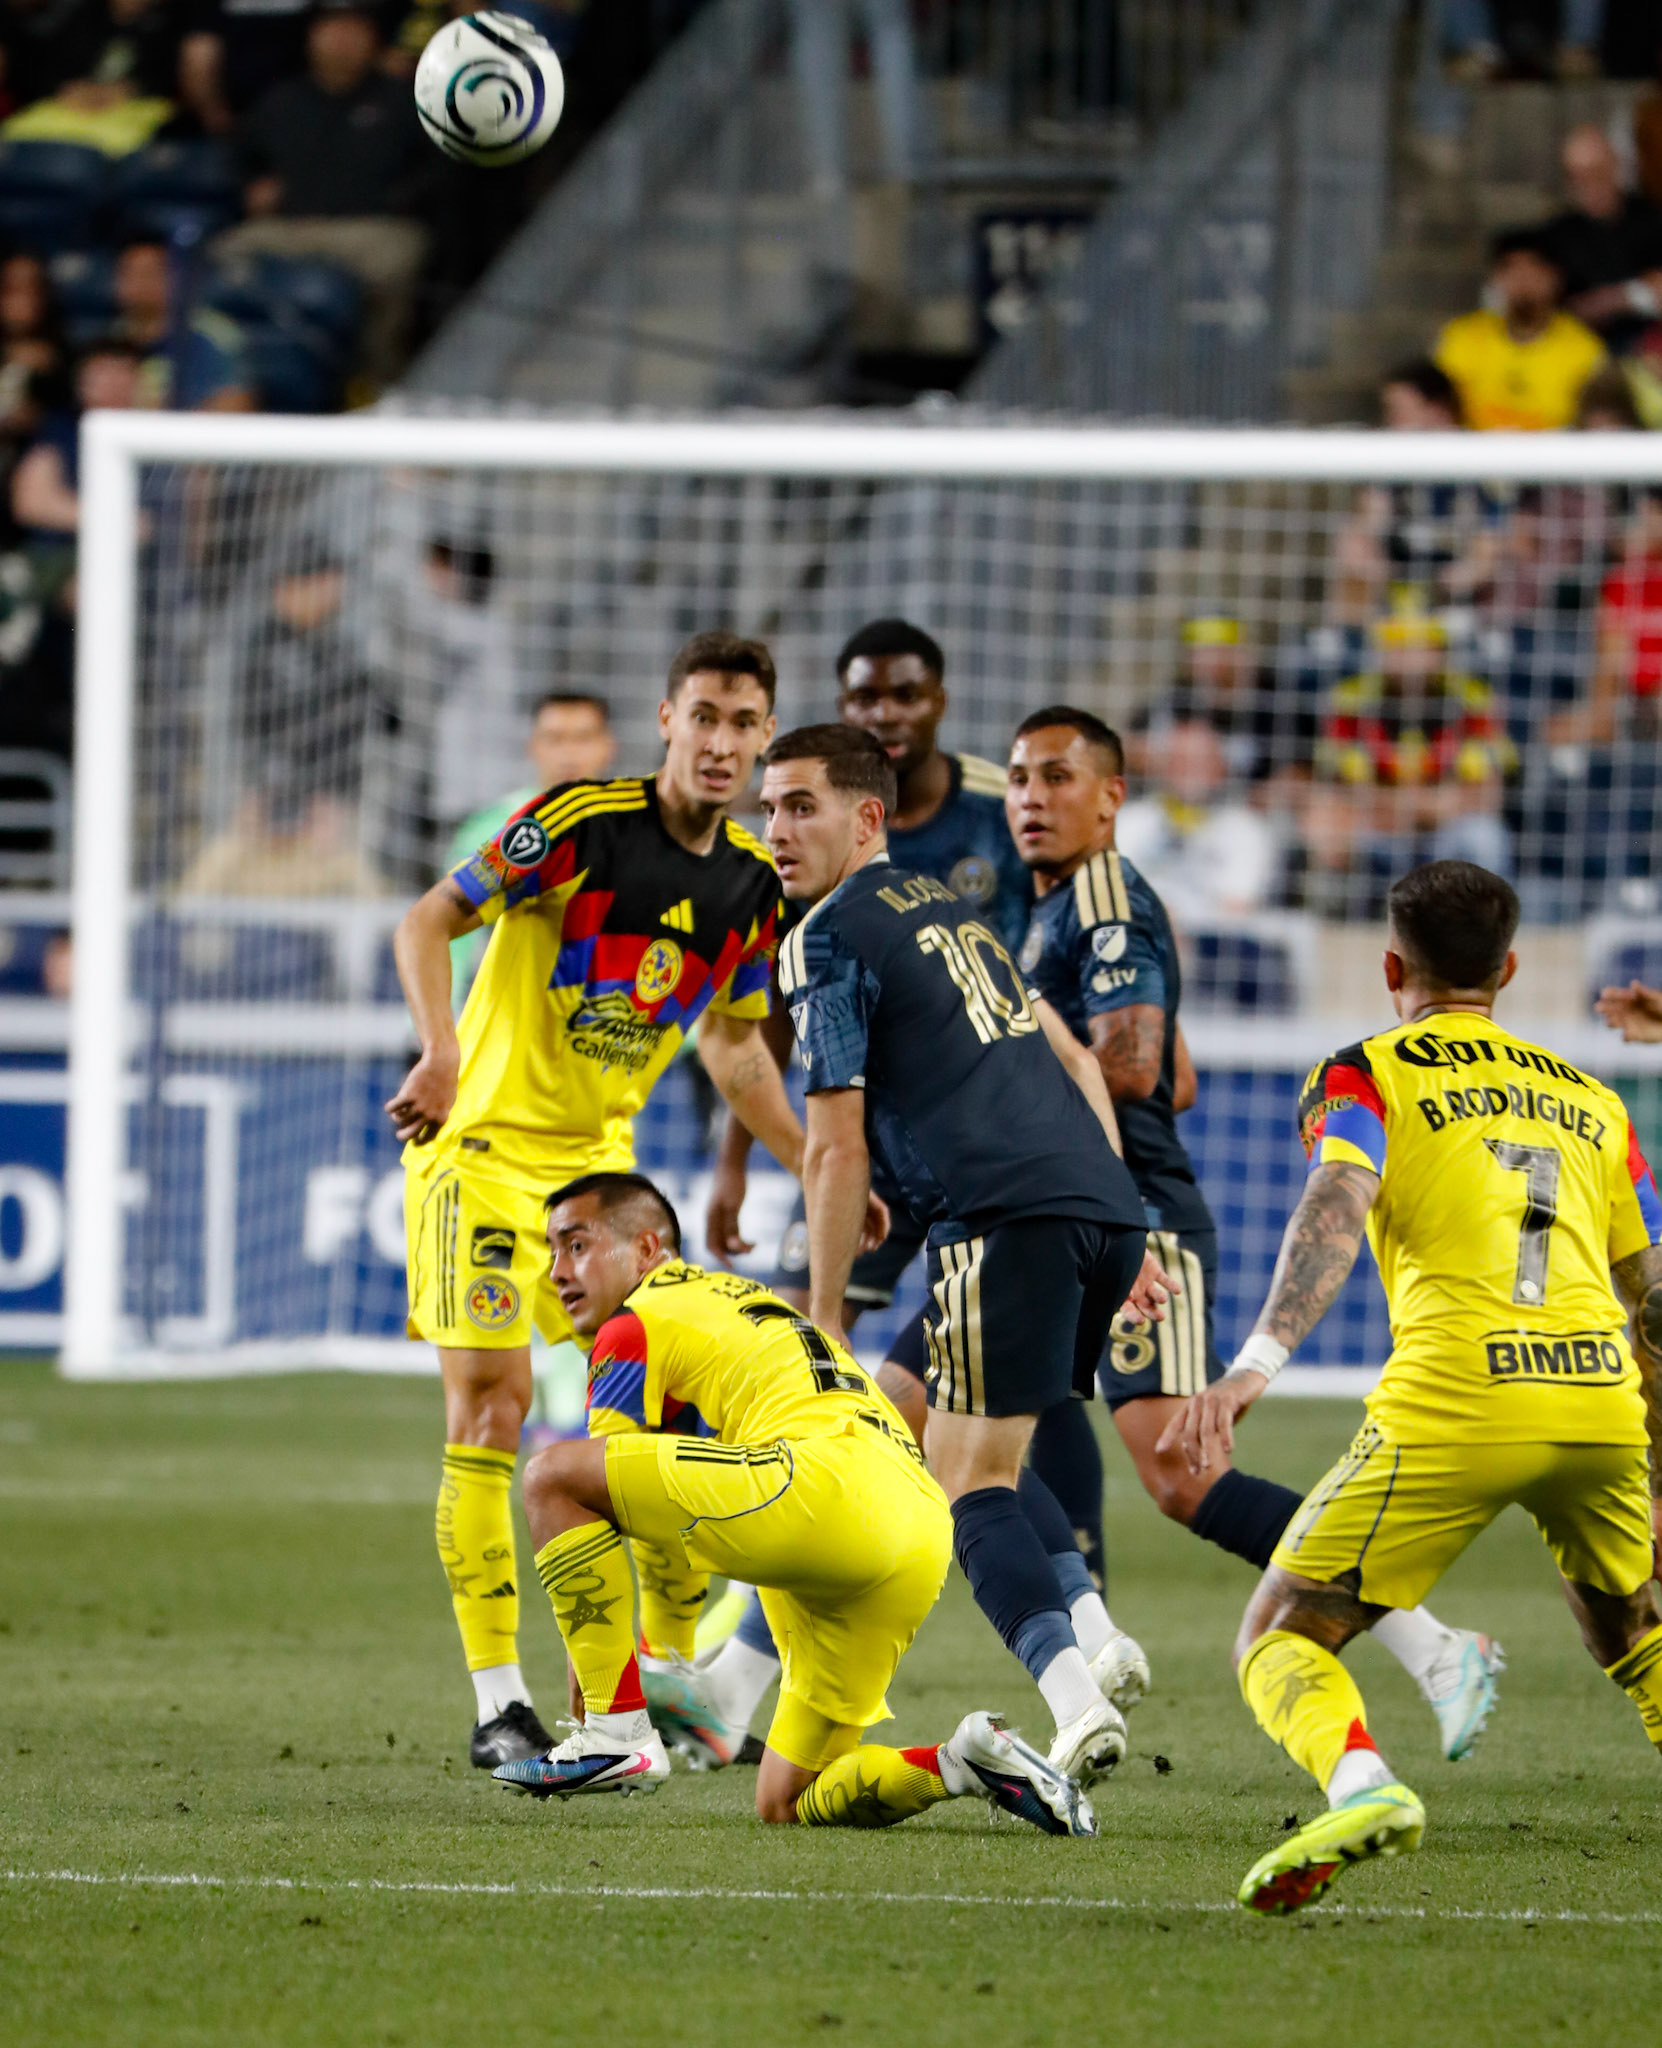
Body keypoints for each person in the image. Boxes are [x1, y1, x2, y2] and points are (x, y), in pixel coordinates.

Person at [386, 633, 852, 1771]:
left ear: (764, 736)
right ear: (667, 721)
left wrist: (812, 1161)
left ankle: (668, 1684)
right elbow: (427, 919)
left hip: (602, 1179)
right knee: (493, 1410)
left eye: (743, 724)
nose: (722, 742)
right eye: (705, 718)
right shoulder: (579, 823)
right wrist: (441, 1049)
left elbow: (734, 1045)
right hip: (479, 1151)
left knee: (666, 1421)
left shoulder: (751, 883)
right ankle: (500, 1700)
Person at [1163, 861, 1662, 1915]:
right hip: (1599, 1397)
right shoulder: (1598, 1103)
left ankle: (1364, 1786)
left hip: (1460, 1399)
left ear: (1392, 968)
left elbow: (1338, 1198)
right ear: (1508, 970)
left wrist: (1257, 1361)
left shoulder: (1363, 1074)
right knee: (1631, 1630)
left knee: (1281, 1633)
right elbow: (1652, 1294)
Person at [1006, 707, 1503, 1761]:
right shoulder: (1050, 906)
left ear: (1112, 797)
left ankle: (1430, 1643)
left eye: (1056, 777)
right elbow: (1179, 1075)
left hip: (1133, 1218)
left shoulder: (1103, 903)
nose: (1030, 798)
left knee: (1178, 1475)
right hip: (1078, 1208)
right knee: (1000, 1410)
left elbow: (1134, 1066)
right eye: (1017, 778)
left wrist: (1001, 1054)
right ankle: (1086, 1647)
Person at [755, 720, 1175, 1792]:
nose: (776, 830)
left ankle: (1076, 1704)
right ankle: (1092, 1632)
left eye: (800, 806)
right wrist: (1122, 1211)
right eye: (768, 809)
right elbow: (1070, 1058)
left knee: (965, 1479)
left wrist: (826, 1315)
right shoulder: (951, 905)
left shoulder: (822, 936)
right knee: (975, 1435)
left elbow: (835, 1144)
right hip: (1095, 1208)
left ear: (867, 816)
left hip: (1002, 1216)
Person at [492, 1172, 1096, 1838]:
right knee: (787, 1798)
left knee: (550, 1477)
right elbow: (654, 1507)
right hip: (918, 1523)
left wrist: (609, 1686)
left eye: (576, 1245)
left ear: (645, 1250)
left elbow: (605, 1499)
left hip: (821, 1483)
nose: (557, 1271)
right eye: (552, 1251)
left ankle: (613, 1733)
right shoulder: (736, 1299)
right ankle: (963, 1761)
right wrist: (660, 1660)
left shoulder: (632, 1325)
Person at [691, 617, 1039, 1757]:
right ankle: (742, 1671)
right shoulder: (798, 842)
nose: (884, 713)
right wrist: (743, 1157)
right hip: (854, 1149)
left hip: (972, 1161)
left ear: (937, 700)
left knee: (960, 1422)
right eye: (863, 697)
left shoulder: (999, 809)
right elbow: (761, 1020)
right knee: (820, 1387)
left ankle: (1076, 1625)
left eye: (903, 695)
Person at [220, 0, 432, 388]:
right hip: (289, 228)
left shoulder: (403, 101)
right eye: (331, 29)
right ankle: (233, 376)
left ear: (373, 39)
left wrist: (392, 201)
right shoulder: (280, 101)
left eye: (354, 29)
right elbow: (241, 164)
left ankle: (377, 380)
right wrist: (252, 188)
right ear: (311, 37)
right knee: (224, 256)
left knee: (393, 264)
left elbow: (433, 176)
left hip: (370, 230)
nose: (341, 40)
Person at [1303, 611, 1515, 915]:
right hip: (1378, 831)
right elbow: (1335, 791)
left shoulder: (1474, 700)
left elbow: (1488, 796)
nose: (1409, 660)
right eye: (1398, 648)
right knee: (1324, 824)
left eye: (1421, 649)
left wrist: (1395, 803)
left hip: (1445, 833)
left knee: (1484, 835)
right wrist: (1430, 804)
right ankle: (1337, 925)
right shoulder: (1349, 701)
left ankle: (1482, 930)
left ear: (1441, 654)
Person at [443, 691, 615, 1006]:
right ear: (533, 747)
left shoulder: (637, 828)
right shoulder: (495, 828)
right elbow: (453, 933)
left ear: (608, 746)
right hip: (515, 1013)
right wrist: (438, 1020)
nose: (568, 753)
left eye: (583, 738)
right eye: (555, 739)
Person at [1434, 230, 1607, 432]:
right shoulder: (1462, 336)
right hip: (1472, 450)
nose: (1523, 284)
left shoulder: (1585, 349)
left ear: (1555, 278)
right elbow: (1438, 412)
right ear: (1495, 279)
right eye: (1512, 273)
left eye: (1533, 272)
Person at [1114, 715, 1281, 921]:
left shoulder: (1247, 830)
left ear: (1221, 767)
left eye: (1201, 762)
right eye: (1180, 760)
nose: (1189, 772)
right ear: (1163, 766)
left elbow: (1238, 907)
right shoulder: (1129, 821)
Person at [1545, 488, 1662, 742]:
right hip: (1632, 704)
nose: (1641, 524)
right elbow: (1608, 668)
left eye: (1651, 514)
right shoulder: (1620, 583)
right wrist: (1603, 715)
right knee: (1553, 731)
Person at [1539, 124, 1662, 357]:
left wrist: (1614, 300)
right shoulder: (1556, 233)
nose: (1588, 183)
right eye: (1576, 176)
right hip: (1573, 349)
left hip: (1645, 349)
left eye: (1597, 172)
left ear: (1615, 166)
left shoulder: (1651, 219)